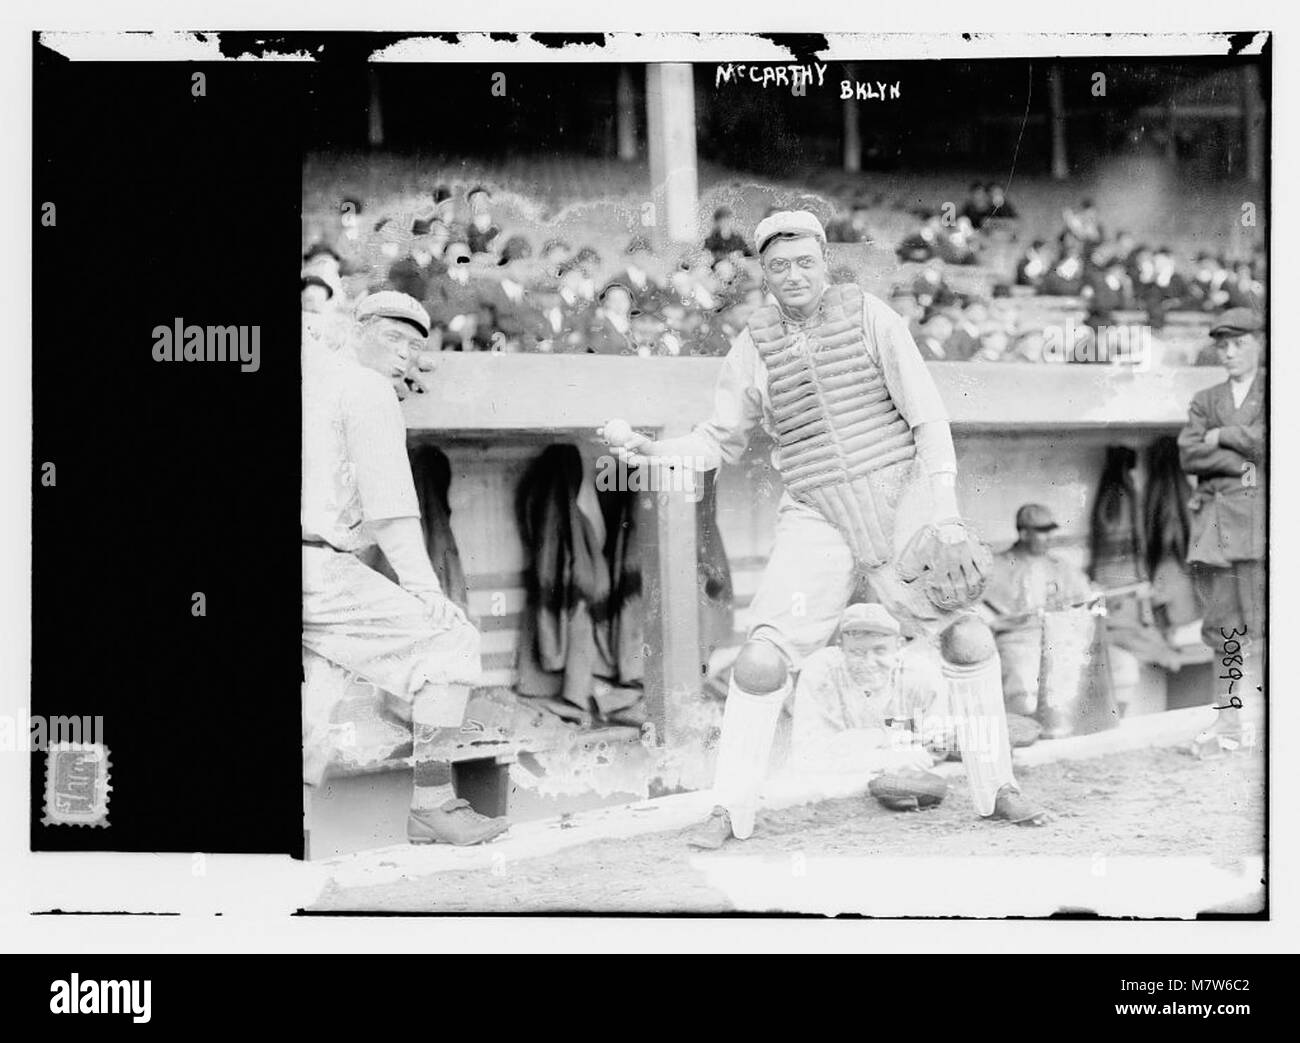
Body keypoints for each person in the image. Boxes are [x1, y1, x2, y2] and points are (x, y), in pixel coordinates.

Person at [601, 210, 1051, 848]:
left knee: (970, 636)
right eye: (778, 265)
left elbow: (927, 417)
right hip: (817, 510)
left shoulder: (872, 317)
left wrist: (944, 510)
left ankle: (998, 785)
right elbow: (715, 441)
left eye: (804, 261)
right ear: (763, 272)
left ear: (823, 262)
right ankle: (730, 810)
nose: (793, 275)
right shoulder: (752, 346)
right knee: (759, 661)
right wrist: (652, 454)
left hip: (901, 498)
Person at [301, 290, 509, 845]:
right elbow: (390, 509)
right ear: (355, 329)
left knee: (311, 714)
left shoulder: (317, 368)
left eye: (413, 346)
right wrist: (424, 589)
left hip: (316, 568)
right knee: (452, 640)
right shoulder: (365, 388)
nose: (402, 355)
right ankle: (433, 804)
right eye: (390, 338)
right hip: (319, 569)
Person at [1178, 308, 1265, 752]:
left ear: (1260, 343)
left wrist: (1222, 436)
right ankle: (1229, 720)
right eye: (1223, 345)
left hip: (1265, 523)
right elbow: (1189, 455)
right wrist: (1243, 452)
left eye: (1239, 344)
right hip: (1218, 529)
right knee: (1224, 628)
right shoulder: (1205, 398)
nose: (1229, 353)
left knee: (1270, 624)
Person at [791, 603, 952, 776]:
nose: (869, 662)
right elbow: (805, 757)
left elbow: (938, 746)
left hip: (856, 766)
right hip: (838, 782)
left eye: (880, 650)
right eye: (856, 652)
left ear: (899, 646)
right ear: (840, 647)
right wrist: (885, 746)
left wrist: (855, 746)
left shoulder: (921, 673)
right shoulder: (821, 670)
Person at [982, 504, 1093, 721]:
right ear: (1024, 533)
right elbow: (979, 608)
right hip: (1017, 640)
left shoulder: (1060, 566)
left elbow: (1085, 598)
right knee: (1024, 681)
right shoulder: (997, 566)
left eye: (1052, 530)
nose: (1050, 536)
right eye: (1043, 531)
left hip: (1058, 640)